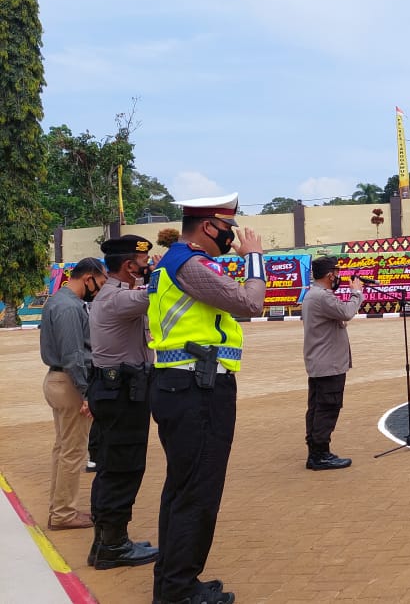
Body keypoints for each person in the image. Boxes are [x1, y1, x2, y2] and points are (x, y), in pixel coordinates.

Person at [147, 193, 264, 604]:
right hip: (197, 389)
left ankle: (173, 582)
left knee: (182, 488)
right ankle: (178, 591)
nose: (234, 238)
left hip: (184, 386)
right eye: (229, 230)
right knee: (197, 491)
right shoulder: (188, 264)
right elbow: (251, 304)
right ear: (209, 227)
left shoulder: (176, 263)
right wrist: (254, 259)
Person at [87, 236, 160, 569]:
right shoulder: (119, 299)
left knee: (112, 465)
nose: (147, 265)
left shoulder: (114, 295)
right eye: (143, 261)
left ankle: (106, 541)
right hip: (122, 393)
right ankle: (113, 545)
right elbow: (158, 293)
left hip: (115, 390)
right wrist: (165, 270)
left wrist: (151, 273)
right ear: (130, 265)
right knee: (123, 466)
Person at [40, 257, 106, 532]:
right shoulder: (68, 307)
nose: (99, 289)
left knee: (63, 448)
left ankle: (60, 507)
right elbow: (73, 354)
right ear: (88, 277)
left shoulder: (58, 301)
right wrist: (86, 392)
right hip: (69, 382)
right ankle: (64, 514)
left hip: (59, 380)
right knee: (73, 451)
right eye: (99, 283)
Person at [301, 257, 365, 470]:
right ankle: (319, 454)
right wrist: (356, 292)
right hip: (329, 363)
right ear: (330, 275)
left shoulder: (314, 295)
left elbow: (339, 316)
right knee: (328, 407)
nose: (338, 277)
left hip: (320, 362)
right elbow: (347, 312)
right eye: (336, 273)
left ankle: (317, 450)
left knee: (317, 407)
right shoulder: (322, 297)